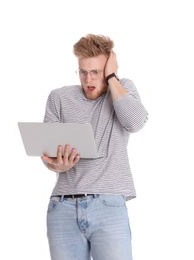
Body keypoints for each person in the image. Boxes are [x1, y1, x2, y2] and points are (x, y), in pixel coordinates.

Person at [41, 34, 148, 260]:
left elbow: (136, 122)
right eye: (83, 72)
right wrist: (57, 166)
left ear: (110, 67)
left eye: (96, 72)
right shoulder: (58, 97)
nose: (88, 80)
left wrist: (111, 78)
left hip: (108, 206)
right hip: (62, 207)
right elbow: (48, 154)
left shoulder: (122, 89)